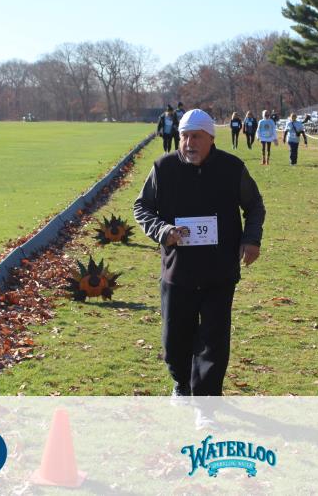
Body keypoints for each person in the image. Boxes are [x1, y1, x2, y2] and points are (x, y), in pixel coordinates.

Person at [132, 109, 265, 412]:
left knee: (213, 339)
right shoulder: (163, 168)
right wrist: (162, 230)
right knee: (175, 337)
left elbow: (254, 205)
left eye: (196, 137)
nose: (189, 143)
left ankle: (207, 400)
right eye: (184, 137)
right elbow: (142, 208)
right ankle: (181, 383)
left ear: (211, 139)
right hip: (178, 270)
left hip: (220, 270)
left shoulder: (232, 168)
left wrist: (251, 239)